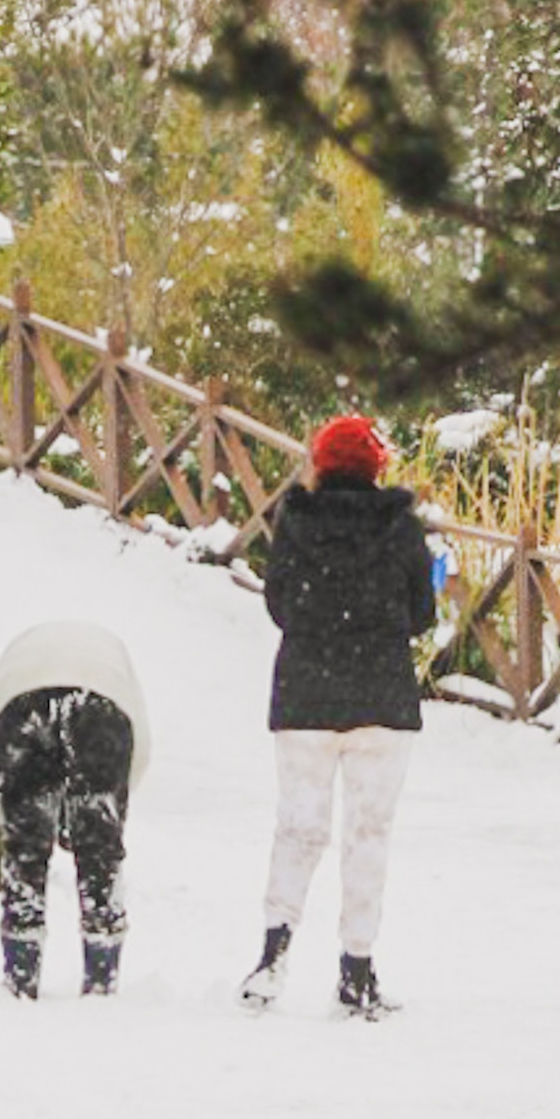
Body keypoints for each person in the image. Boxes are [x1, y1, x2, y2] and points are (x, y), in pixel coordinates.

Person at [245, 412, 434, 1020]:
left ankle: (272, 955)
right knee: (367, 835)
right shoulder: (400, 527)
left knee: (299, 828)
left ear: (321, 464)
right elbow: (422, 613)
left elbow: (277, 603)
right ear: (377, 467)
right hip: (381, 698)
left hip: (306, 695)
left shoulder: (295, 523)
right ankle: (357, 968)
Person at [0, 616, 149, 999]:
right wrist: (102, 817)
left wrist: (19, 815)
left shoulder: (19, 650)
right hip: (102, 702)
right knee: (100, 851)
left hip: (19, 701)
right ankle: (101, 972)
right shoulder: (114, 656)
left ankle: (21, 971)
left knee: (24, 851)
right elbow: (138, 752)